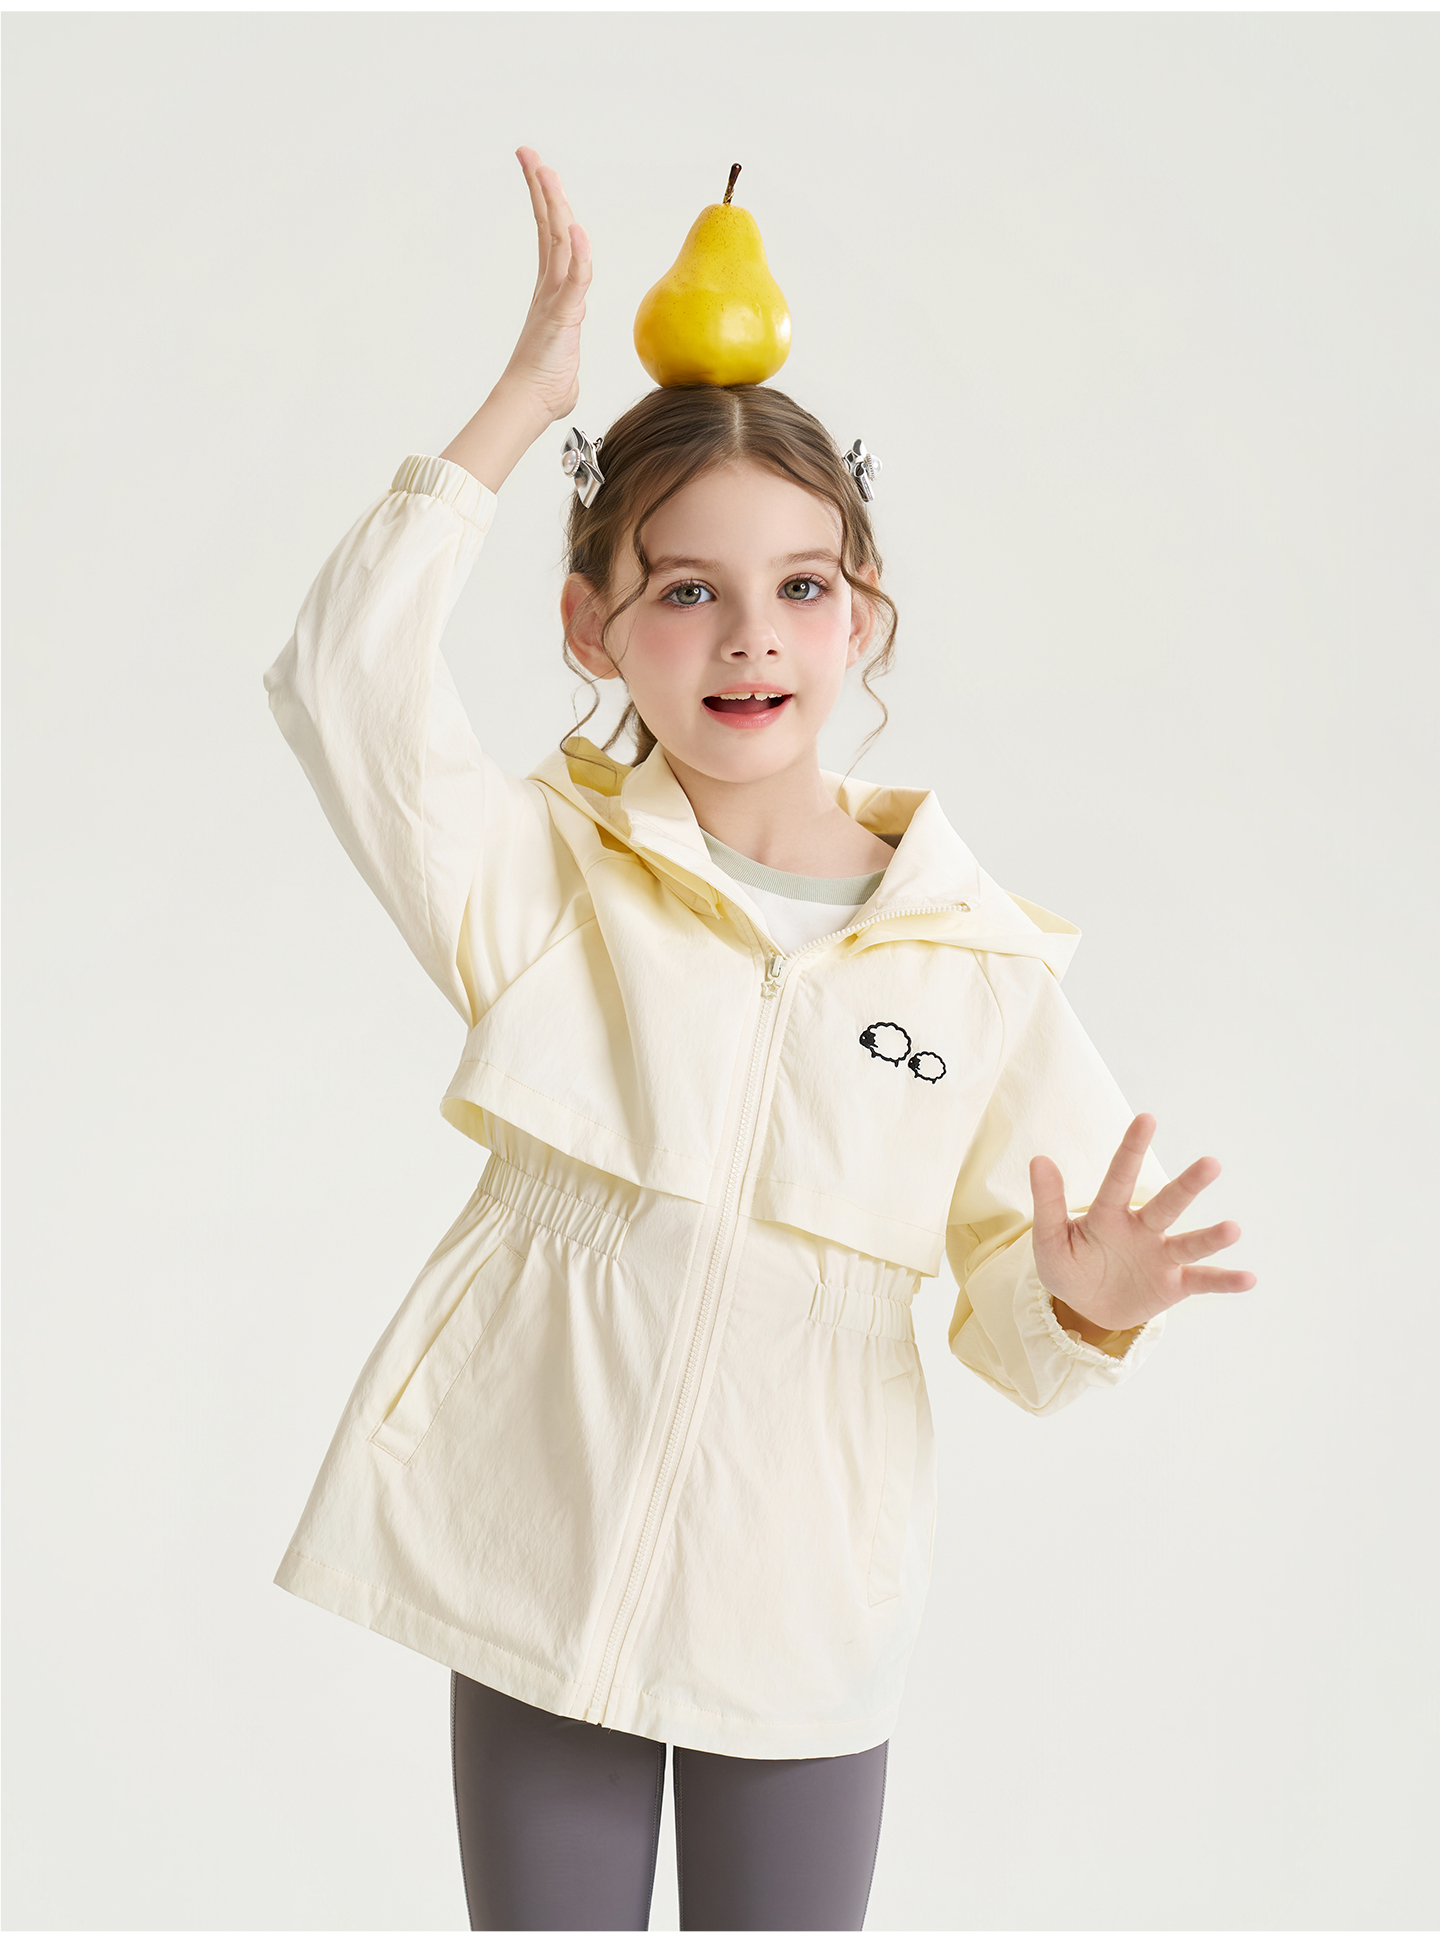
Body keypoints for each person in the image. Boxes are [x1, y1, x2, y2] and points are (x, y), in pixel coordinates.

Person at [263, 147, 1256, 1931]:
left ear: (861, 613)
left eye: (801, 588)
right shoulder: (545, 882)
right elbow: (344, 681)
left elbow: (1023, 1331)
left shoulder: (974, 961)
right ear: (592, 627)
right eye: (685, 591)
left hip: (802, 1634)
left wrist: (1090, 1298)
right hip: (537, 1583)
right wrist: (524, 402)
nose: (749, 639)